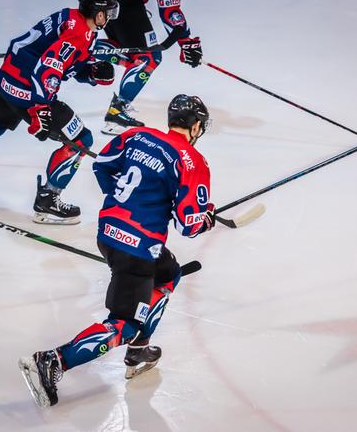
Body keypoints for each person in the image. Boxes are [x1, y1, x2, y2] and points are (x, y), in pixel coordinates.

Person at [19, 94, 214, 407]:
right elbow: (188, 225)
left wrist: (124, 202)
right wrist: (205, 219)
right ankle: (54, 360)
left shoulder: (137, 135)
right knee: (122, 323)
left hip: (108, 233)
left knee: (168, 274)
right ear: (197, 126)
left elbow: (103, 165)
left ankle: (138, 348)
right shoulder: (192, 161)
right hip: (138, 249)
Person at [0, 0, 119, 225]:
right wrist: (40, 108)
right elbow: (47, 70)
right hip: (30, 91)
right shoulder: (79, 33)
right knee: (82, 141)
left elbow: (64, 62)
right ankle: (48, 200)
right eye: (107, 12)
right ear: (97, 14)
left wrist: (91, 71)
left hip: (9, 81)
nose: (109, 17)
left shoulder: (71, 18)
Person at [95, 0, 203, 136]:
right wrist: (186, 41)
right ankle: (117, 112)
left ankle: (79, 46)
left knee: (133, 56)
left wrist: (186, 41)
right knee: (149, 56)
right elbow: (170, 10)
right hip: (122, 0)